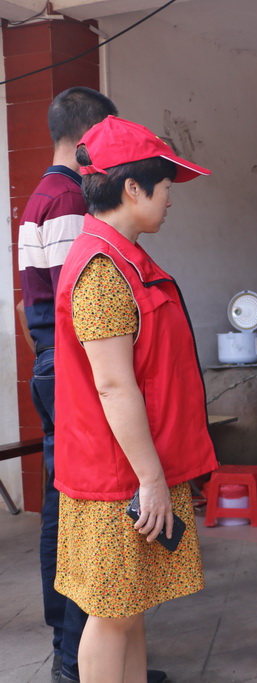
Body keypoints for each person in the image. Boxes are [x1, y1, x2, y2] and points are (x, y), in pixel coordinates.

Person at [51, 115, 217, 682]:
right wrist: (151, 479)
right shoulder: (103, 269)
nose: (170, 199)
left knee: (132, 605)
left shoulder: (122, 259)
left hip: (136, 466)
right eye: (165, 186)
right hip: (118, 475)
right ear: (132, 188)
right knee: (112, 614)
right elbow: (113, 384)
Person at [13, 87, 136, 683]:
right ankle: (75, 656)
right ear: (91, 136)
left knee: (65, 507)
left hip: (51, 365)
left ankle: (83, 652)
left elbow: (27, 307)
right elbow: (80, 305)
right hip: (70, 370)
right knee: (77, 512)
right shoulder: (66, 199)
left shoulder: (39, 195)